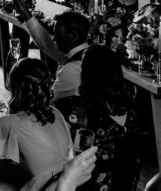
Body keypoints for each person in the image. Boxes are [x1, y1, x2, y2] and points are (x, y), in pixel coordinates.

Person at [0, 58, 72, 191]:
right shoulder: (55, 113)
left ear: (14, 86)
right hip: (68, 184)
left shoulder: (10, 124)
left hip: (42, 188)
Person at [57, 45, 140, 191]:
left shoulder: (81, 111)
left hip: (88, 185)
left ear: (88, 74)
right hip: (125, 185)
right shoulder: (131, 111)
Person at [16, 8, 91, 101]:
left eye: (58, 35)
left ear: (72, 36)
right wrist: (27, 16)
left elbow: (48, 101)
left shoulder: (71, 69)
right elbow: (48, 44)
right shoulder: (87, 53)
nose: (55, 39)